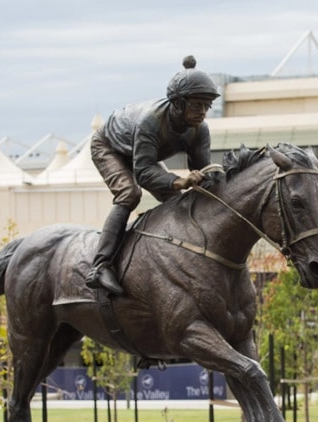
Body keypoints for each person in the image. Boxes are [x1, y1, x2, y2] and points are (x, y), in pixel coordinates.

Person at [85, 55, 219, 295]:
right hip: (109, 146)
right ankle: (100, 266)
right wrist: (179, 181)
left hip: (140, 154)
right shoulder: (152, 122)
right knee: (129, 193)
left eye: (206, 106)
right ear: (178, 103)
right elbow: (144, 173)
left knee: (175, 201)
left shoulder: (200, 129)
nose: (203, 112)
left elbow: (202, 172)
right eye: (197, 105)